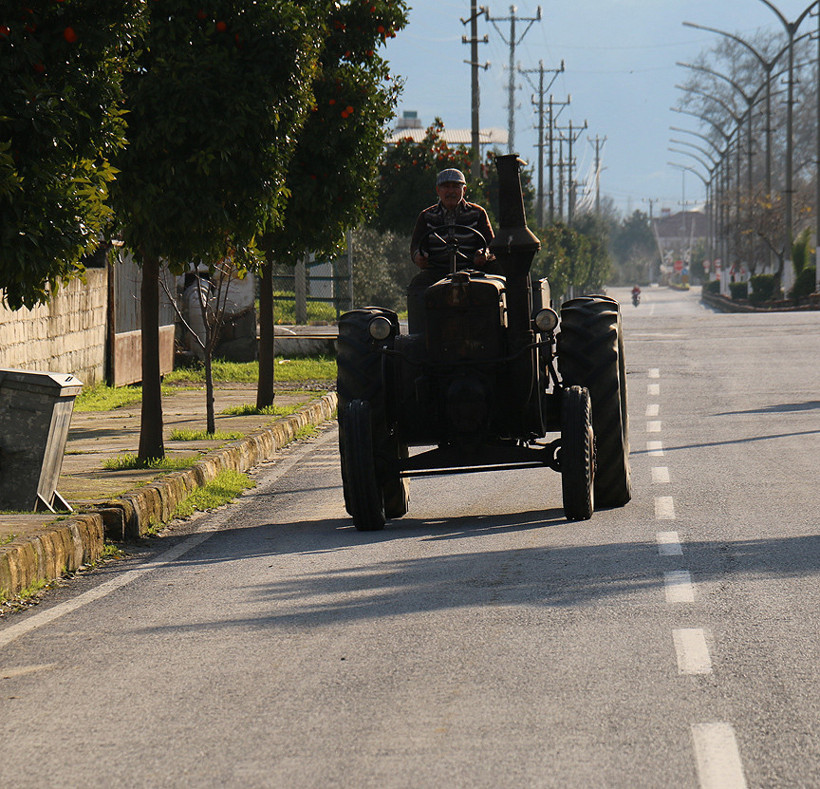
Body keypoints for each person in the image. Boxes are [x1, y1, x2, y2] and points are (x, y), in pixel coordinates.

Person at [407, 168, 497, 331]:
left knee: (496, 283)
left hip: (473, 272)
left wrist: (483, 254)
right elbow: (416, 246)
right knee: (417, 286)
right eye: (446, 187)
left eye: (455, 187)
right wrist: (419, 256)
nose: (450, 191)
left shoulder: (477, 213)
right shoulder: (427, 216)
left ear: (464, 190)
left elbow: (490, 245)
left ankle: (495, 330)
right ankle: (420, 334)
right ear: (438, 190)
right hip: (437, 271)